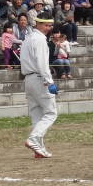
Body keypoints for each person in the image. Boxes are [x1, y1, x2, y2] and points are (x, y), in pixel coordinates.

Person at [20, 12, 57, 158]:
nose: (49, 28)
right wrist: (49, 82)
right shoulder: (40, 40)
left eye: (50, 25)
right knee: (50, 113)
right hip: (39, 78)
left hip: (28, 79)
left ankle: (39, 149)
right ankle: (33, 139)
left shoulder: (28, 38)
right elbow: (42, 64)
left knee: (37, 115)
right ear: (38, 24)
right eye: (46, 25)